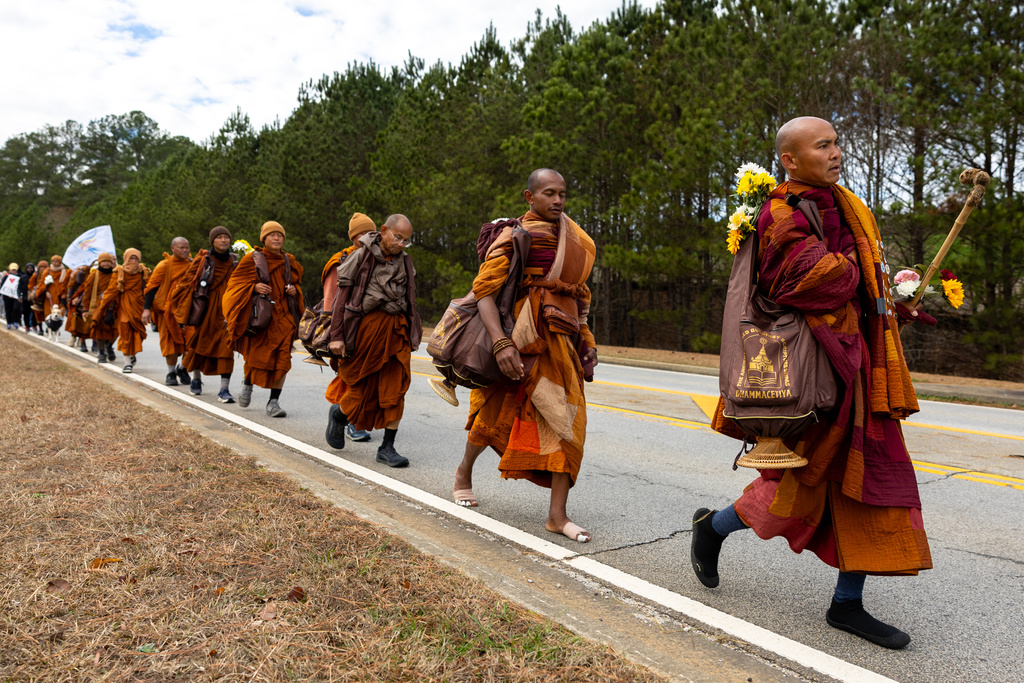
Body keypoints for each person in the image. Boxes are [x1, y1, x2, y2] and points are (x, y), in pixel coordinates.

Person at [691, 116, 933, 650]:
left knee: (867, 483)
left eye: (838, 142)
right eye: (823, 145)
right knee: (798, 484)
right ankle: (713, 528)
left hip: (860, 367)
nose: (836, 151)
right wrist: (859, 274)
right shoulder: (780, 212)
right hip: (817, 371)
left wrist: (887, 302)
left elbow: (854, 282)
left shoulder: (850, 206)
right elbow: (800, 280)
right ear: (790, 160)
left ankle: (846, 604)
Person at [451, 168, 598, 542]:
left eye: (563, 193)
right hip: (518, 339)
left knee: (566, 423)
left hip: (561, 345)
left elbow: (579, 299)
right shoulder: (514, 235)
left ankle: (556, 515)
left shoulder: (575, 239)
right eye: (549, 193)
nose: (559, 200)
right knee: (493, 412)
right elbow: (484, 291)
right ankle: (464, 471)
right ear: (529, 197)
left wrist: (588, 343)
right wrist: (500, 343)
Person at [326, 213, 422, 467]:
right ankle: (339, 415)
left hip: (396, 331)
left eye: (406, 240)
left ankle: (387, 447)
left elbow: (411, 300)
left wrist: (414, 331)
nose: (401, 244)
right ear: (384, 230)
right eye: (398, 237)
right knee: (360, 389)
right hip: (366, 330)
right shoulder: (360, 256)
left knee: (396, 390)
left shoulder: (405, 262)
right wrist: (336, 336)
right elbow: (341, 300)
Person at [222, 221, 303, 417]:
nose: (277, 238)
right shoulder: (252, 259)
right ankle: (248, 383)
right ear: (264, 239)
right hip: (262, 318)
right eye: (272, 235)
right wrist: (253, 287)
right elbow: (234, 287)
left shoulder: (288, 260)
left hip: (283, 319)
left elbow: (296, 283)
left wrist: (294, 290)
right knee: (256, 357)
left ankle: (273, 402)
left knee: (283, 360)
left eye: (280, 235)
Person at [322, 212, 378, 446]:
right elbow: (331, 297)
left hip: (372, 327)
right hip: (348, 327)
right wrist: (333, 334)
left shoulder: (378, 257)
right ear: (353, 236)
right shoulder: (342, 260)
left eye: (370, 233)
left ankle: (352, 416)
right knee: (353, 377)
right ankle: (349, 419)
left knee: (371, 375)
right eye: (361, 233)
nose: (366, 237)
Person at [170, 226, 238, 403]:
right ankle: (196, 379)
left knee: (226, 350)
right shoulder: (203, 259)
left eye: (226, 237)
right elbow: (186, 283)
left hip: (226, 312)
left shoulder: (234, 261)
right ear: (212, 241)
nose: (223, 240)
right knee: (199, 346)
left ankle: (224, 390)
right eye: (219, 237)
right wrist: (183, 311)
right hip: (205, 311)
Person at [144, 237, 194, 387]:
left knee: (193, 342)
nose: (185, 250)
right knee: (170, 344)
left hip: (189, 310)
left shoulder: (193, 264)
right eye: (181, 247)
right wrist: (146, 309)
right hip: (168, 312)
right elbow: (151, 288)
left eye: (187, 247)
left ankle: (183, 368)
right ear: (172, 249)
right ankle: (171, 372)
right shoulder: (164, 265)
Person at [96, 248, 150, 373]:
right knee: (125, 332)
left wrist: (149, 308)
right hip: (124, 306)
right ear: (125, 258)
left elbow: (149, 289)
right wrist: (103, 307)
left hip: (139, 306)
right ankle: (127, 363)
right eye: (131, 258)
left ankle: (132, 354)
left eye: (136, 258)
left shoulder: (144, 272)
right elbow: (111, 291)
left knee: (139, 333)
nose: (133, 261)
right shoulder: (119, 272)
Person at [76, 253, 119, 361]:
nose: (106, 263)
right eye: (104, 261)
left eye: (108, 261)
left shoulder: (116, 275)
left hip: (114, 306)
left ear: (112, 263)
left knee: (116, 330)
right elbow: (87, 293)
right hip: (98, 307)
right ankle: (101, 352)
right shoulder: (94, 275)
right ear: (99, 262)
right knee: (99, 330)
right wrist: (85, 308)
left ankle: (109, 346)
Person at [64, 264, 92, 350]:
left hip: (90, 297)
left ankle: (82, 339)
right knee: (75, 319)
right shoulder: (79, 271)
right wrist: (71, 297)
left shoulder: (94, 271)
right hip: (77, 297)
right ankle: (73, 336)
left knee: (86, 320)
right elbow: (72, 285)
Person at [26, 259, 49, 334]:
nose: (42, 269)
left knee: (47, 312)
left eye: (44, 267)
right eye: (41, 267)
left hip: (46, 297)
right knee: (37, 313)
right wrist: (35, 289)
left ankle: (48, 327)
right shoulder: (35, 275)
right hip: (37, 297)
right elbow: (30, 285)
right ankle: (40, 329)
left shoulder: (49, 274)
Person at [18, 261, 38, 333]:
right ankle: (27, 326)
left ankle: (34, 326)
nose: (30, 269)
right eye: (28, 268)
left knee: (34, 313)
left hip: (34, 298)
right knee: (26, 313)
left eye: (31, 268)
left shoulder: (36, 277)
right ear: (26, 269)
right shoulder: (23, 277)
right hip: (25, 298)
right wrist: (19, 296)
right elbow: (19, 287)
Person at [2, 264, 20, 328]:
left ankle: (15, 321)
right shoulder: (6, 277)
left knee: (15, 309)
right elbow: (2, 286)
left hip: (15, 296)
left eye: (14, 270)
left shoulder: (19, 276)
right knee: (8, 309)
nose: (13, 271)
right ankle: (9, 322)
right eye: (12, 270)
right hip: (7, 296)